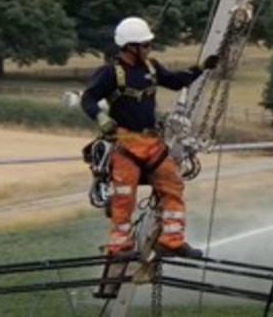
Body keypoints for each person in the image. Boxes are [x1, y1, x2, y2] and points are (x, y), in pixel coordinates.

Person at [80, 16, 218, 259]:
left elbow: (176, 82)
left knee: (173, 185)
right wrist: (101, 117)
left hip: (152, 143)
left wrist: (200, 69)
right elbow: (88, 98)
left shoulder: (151, 67)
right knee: (124, 196)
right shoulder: (110, 73)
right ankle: (119, 246)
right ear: (130, 47)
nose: (149, 49)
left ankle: (172, 241)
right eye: (144, 45)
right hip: (125, 144)